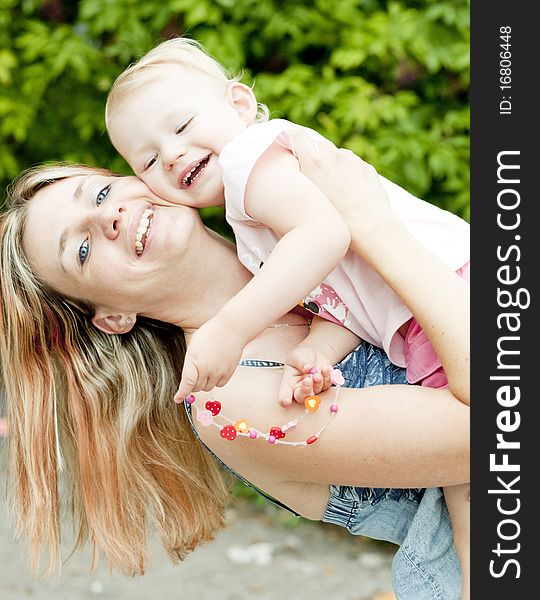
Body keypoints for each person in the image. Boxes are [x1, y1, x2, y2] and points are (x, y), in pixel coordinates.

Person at [0, 140, 469, 598]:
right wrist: (376, 229)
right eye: (81, 250)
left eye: (101, 194)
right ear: (113, 316)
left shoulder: (311, 240)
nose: (108, 217)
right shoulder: (230, 402)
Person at [104, 37, 470, 591]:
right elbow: (346, 291)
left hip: (447, 286)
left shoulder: (252, 164)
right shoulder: (252, 218)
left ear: (239, 104)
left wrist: (231, 328)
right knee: (472, 493)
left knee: (474, 496)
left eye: (181, 126)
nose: (172, 153)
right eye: (149, 159)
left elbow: (326, 235)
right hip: (424, 310)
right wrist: (318, 350)